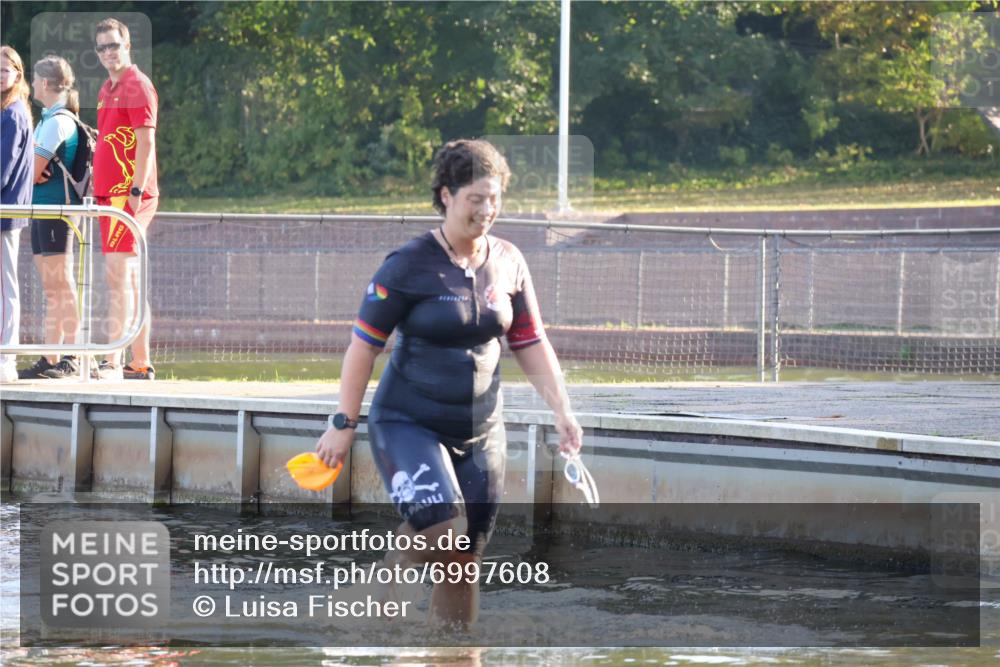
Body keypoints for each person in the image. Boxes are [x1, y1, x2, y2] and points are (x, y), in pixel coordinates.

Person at [315, 139, 583, 630]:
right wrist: (342, 423)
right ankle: (383, 581)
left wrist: (562, 411)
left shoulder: (509, 260)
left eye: (494, 199)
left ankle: (454, 651)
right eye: (475, 199)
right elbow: (362, 347)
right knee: (445, 530)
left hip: (482, 431)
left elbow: (530, 341)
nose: (486, 210)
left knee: (464, 561)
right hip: (410, 422)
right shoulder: (408, 264)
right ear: (446, 196)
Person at [92, 17, 159, 380]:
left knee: (119, 278)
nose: (108, 52)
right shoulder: (107, 88)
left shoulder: (137, 85)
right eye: (102, 47)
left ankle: (112, 361)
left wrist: (135, 191)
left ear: (127, 45)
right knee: (127, 281)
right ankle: (140, 361)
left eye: (114, 45)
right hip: (109, 197)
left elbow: (145, 142)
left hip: (127, 197)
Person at [17, 55, 82, 380]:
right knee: (51, 287)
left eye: (34, 79)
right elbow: (30, 168)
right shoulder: (47, 119)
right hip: (42, 209)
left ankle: (74, 355)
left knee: (62, 283)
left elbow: (31, 170)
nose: (32, 85)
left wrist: (30, 168)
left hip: (58, 211)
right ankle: (50, 356)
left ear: (44, 83)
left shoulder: (58, 121)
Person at [1, 46, 33, 384]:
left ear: (17, 74)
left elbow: (3, 168)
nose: (0, 76)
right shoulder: (10, 110)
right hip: (6, 211)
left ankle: (6, 360)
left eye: (4, 70)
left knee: (5, 287)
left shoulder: (12, 113)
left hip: (5, 213)